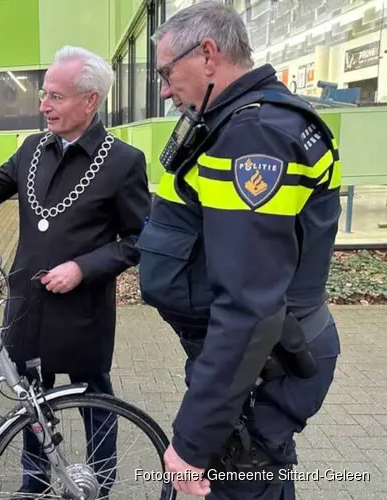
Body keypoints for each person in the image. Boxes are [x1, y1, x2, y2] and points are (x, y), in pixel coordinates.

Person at [0, 45, 152, 498]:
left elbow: (138, 241)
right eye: (44, 94)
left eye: (55, 96)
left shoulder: (123, 161)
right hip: (28, 305)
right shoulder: (34, 147)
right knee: (29, 406)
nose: (43, 105)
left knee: (96, 401)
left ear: (90, 100)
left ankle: (100, 485)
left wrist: (83, 266)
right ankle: (32, 485)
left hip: (82, 309)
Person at [138, 2, 341, 498]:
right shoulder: (242, 121)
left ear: (208, 54)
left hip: (263, 364)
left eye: (167, 72)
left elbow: (250, 305)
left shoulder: (255, 134)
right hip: (254, 360)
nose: (164, 89)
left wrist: (192, 440)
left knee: (245, 483)